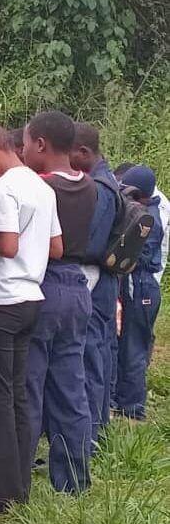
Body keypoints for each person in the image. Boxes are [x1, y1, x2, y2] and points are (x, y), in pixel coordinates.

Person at [0, 126, 62, 514]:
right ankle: (19, 485)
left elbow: (7, 245)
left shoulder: (4, 188)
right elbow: (56, 247)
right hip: (31, 297)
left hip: (2, 300)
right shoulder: (43, 188)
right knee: (18, 396)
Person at [22, 111, 97, 494]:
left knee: (30, 386)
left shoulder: (39, 187)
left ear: (40, 145)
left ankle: (17, 480)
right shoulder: (89, 184)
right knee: (71, 388)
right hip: (78, 287)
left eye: (23, 144)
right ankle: (73, 481)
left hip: (45, 284)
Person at [69, 123, 119, 441]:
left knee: (90, 358)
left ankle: (91, 435)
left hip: (95, 281)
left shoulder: (99, 189)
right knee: (96, 352)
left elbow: (92, 243)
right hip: (104, 281)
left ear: (84, 153)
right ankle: (95, 432)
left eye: (69, 154)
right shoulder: (107, 180)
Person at [114, 165, 164, 420]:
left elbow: (137, 256)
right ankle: (123, 399)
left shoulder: (148, 218)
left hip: (141, 283)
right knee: (128, 341)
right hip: (139, 282)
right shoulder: (145, 210)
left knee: (135, 345)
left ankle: (132, 407)